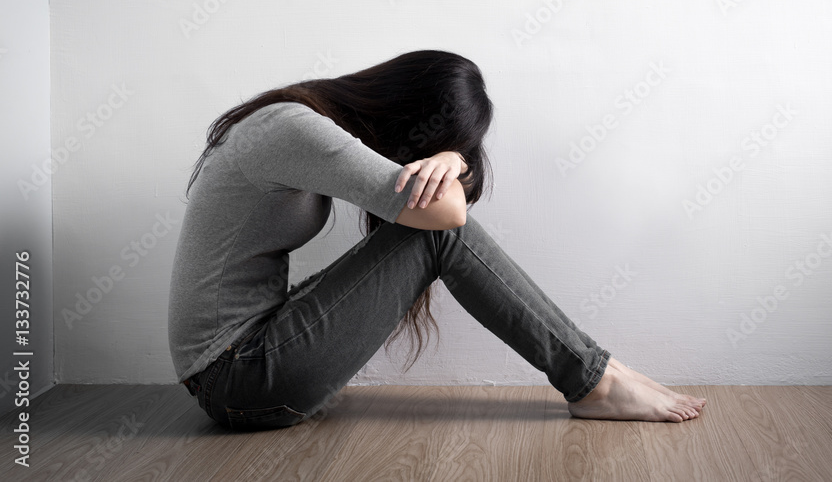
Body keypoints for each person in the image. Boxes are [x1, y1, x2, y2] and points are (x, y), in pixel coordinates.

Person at [167, 49, 706, 431]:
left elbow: (441, 203)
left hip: (242, 368)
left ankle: (596, 373)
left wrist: (452, 160)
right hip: (236, 379)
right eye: (432, 146)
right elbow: (446, 214)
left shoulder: (291, 123)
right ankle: (593, 381)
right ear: (411, 121)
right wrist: (452, 160)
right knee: (434, 236)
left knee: (432, 229)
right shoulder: (293, 129)